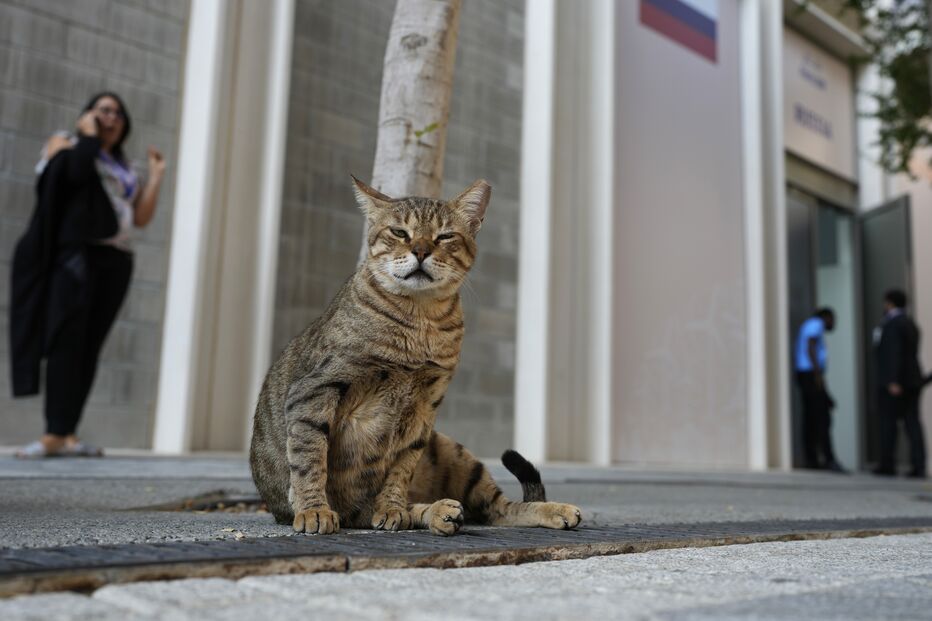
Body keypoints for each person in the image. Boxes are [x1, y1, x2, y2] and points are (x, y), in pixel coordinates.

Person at [9, 92, 166, 458]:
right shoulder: (65, 144)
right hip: (77, 258)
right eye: (104, 110)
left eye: (118, 113)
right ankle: (53, 432)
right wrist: (89, 136)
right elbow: (74, 175)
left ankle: (68, 433)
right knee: (66, 341)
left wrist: (156, 176)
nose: (112, 117)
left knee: (90, 347)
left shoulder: (124, 166)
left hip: (116, 260)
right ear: (87, 116)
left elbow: (140, 218)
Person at [872, 289, 927, 478]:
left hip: (896, 383)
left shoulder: (892, 324)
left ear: (889, 303)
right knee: (912, 423)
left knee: (888, 422)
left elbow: (893, 353)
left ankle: (887, 463)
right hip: (912, 381)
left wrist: (892, 380)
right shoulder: (910, 323)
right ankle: (918, 464)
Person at [794, 307, 846, 472]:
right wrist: (817, 375)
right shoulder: (816, 324)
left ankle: (812, 459)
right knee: (822, 419)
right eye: (832, 320)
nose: (833, 324)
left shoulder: (810, 325)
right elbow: (810, 346)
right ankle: (828, 458)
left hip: (807, 375)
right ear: (826, 317)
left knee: (811, 419)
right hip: (810, 375)